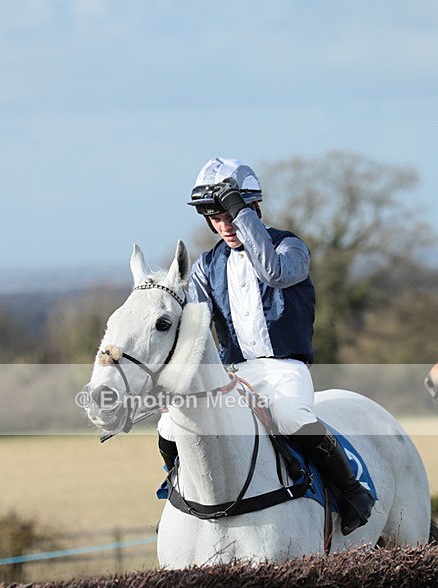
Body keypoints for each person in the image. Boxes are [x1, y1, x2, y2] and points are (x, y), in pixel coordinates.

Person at [158, 156, 375, 535]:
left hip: (283, 367)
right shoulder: (207, 266)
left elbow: (273, 272)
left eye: (231, 215)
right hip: (236, 374)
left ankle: (352, 491)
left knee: (291, 417)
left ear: (253, 207)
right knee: (170, 424)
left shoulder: (291, 248)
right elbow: (195, 327)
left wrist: (241, 213)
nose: (225, 226)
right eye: (216, 218)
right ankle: (179, 496)